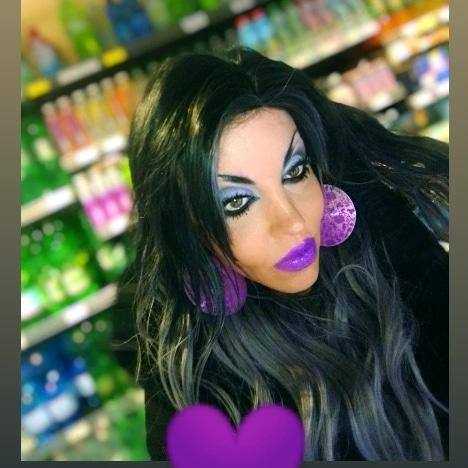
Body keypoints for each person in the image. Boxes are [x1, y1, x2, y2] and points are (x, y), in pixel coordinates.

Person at [111, 47, 449, 461]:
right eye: (237, 202)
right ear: (189, 231)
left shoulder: (380, 240)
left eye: (294, 172)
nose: (291, 221)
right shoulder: (194, 383)